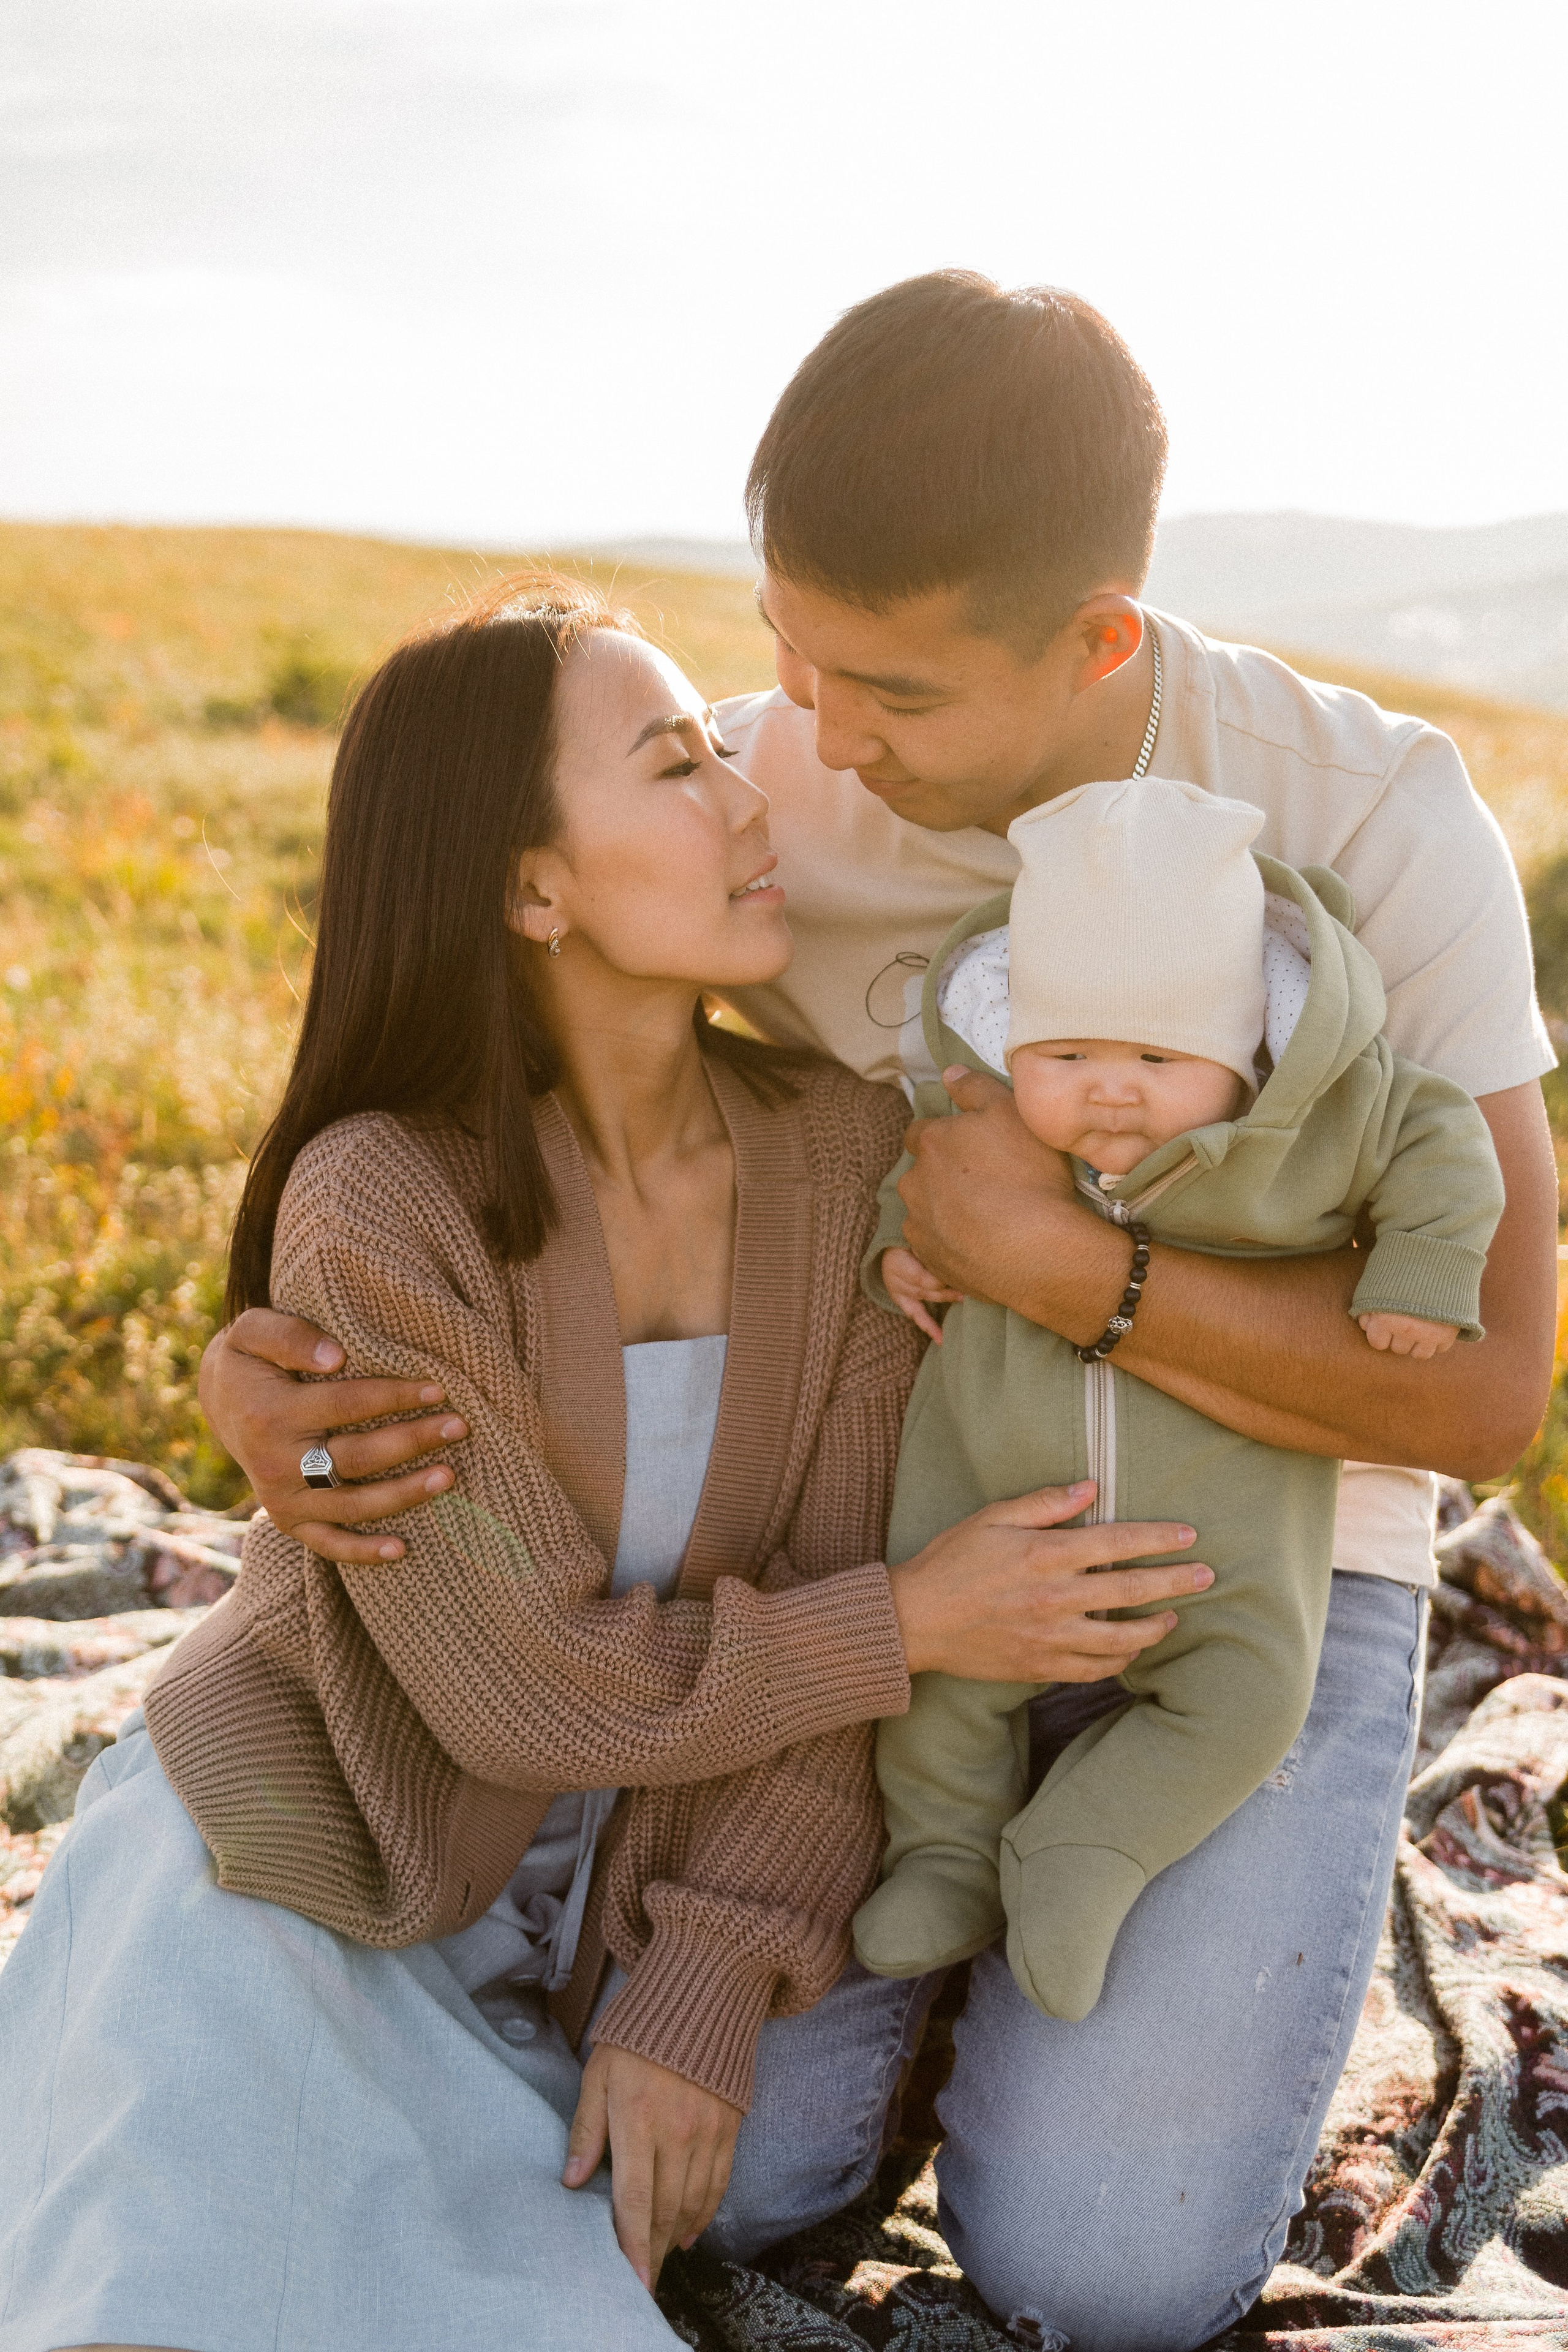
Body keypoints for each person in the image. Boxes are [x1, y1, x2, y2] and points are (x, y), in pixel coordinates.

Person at [198, 275, 1558, 2351]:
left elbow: (1487, 1394)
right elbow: (471, 1027)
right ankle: (964, 1961)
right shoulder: (751, 804)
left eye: (890, 692)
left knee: (1103, 2277)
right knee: (731, 2180)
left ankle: (1136, 1990)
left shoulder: (1373, 814)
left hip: (1263, 1564)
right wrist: (258, 1352)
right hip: (887, 1543)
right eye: (786, 659)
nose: (813, 740)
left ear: (1101, 641)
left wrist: (1069, 1271)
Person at [0, 578, 1213, 2352]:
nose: (745, 804)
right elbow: (521, 1695)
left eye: (725, 756)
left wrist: (706, 1980)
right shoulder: (385, 1202)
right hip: (296, 1873)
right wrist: (916, 1620)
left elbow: (817, 1668)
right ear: (529, 885)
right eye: (673, 769)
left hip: (606, 1905)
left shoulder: (845, 1160)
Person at [852, 773, 1504, 2024]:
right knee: (936, 1691)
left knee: (1253, 1698)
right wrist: (903, 1245)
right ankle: (940, 1856)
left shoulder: (1317, 1123)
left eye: (1158, 1058)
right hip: (989, 1510)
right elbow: (913, 1173)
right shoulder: (984, 1113)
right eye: (1067, 1053)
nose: (1107, 1090)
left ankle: (1080, 1847)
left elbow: (1441, 1140)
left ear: (1240, 1043)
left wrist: (1420, 1266)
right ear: (1011, 1035)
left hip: (1221, 1546)